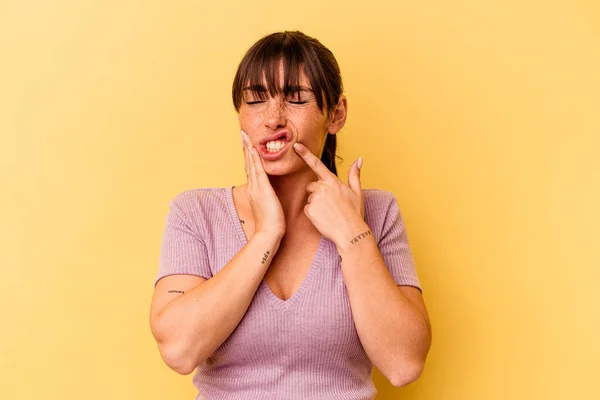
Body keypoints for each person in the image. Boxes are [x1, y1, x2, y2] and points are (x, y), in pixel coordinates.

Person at [149, 30, 432, 400]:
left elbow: (404, 363)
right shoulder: (196, 213)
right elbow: (178, 350)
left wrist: (352, 235)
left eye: (296, 99)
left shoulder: (378, 213)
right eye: (255, 100)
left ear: (336, 113)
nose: (273, 118)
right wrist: (267, 235)